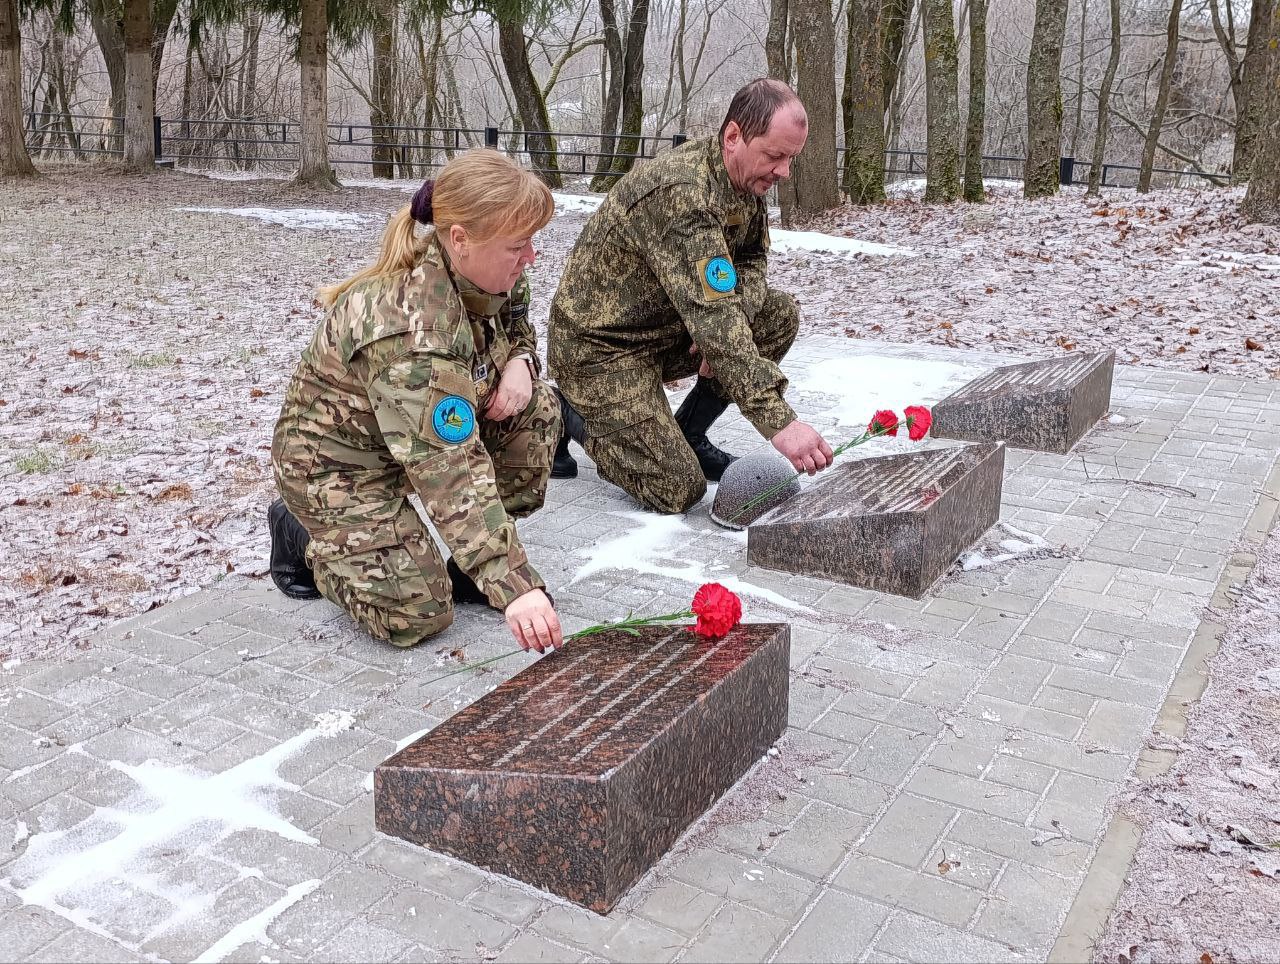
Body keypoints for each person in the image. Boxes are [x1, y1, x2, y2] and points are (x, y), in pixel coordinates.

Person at [268, 150, 564, 655]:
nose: (531, 256)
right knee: (417, 613)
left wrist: (522, 363)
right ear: (460, 241)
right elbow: (449, 467)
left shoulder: (495, 274)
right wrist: (514, 585)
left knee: (535, 413)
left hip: (407, 442)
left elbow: (518, 331)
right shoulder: (410, 331)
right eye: (518, 245)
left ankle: (469, 568)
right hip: (340, 470)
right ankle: (304, 539)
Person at [547, 78, 834, 515]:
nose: (783, 173)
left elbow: (752, 259)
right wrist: (782, 423)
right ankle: (567, 410)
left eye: (791, 159)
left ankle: (689, 434)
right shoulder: (683, 194)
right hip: (602, 349)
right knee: (676, 489)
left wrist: (732, 319)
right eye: (776, 156)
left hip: (667, 328)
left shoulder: (742, 179)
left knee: (776, 316)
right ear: (733, 136)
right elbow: (715, 318)